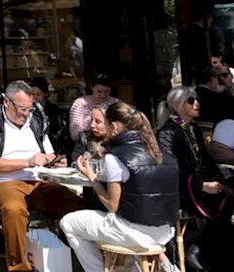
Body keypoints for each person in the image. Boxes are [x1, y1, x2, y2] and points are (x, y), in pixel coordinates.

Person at [0, 80, 85, 272]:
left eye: (29, 109)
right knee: (14, 209)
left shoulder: (35, 120)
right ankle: (19, 268)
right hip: (5, 181)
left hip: (39, 181)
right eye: (21, 109)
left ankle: (74, 261)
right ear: (6, 102)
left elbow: (48, 153)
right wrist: (27, 162)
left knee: (77, 205)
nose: (26, 114)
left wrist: (54, 160)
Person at [60, 103, 178, 272]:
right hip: (164, 232)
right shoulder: (163, 153)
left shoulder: (115, 157)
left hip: (134, 233)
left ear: (113, 126)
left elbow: (112, 206)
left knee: (69, 222)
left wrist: (93, 179)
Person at [156, 86, 229, 270]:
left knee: (233, 199)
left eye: (196, 100)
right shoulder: (168, 132)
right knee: (225, 206)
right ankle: (198, 251)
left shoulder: (193, 129)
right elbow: (171, 169)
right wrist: (201, 186)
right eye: (191, 100)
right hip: (180, 189)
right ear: (176, 106)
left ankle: (203, 251)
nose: (196, 103)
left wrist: (224, 182)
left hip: (196, 183)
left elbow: (207, 160)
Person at [68, 73, 117, 138]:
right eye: (99, 91)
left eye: (106, 91)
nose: (103, 95)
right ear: (92, 87)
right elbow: (75, 133)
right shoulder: (80, 104)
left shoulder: (116, 103)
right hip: (87, 144)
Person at [31, 77, 71, 157]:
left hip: (54, 148)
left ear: (45, 94)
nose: (35, 98)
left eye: (38, 94)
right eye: (32, 94)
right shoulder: (27, 111)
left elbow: (59, 132)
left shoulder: (55, 111)